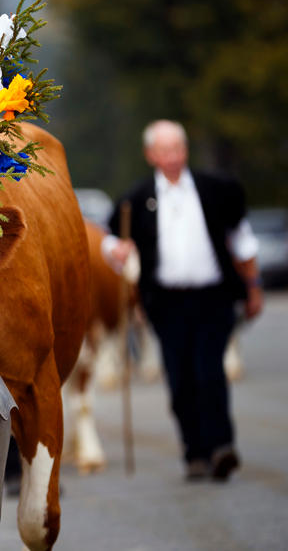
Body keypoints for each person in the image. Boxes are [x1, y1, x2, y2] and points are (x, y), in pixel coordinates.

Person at [105, 120, 263, 482]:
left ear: (186, 151)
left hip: (213, 297)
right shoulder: (136, 198)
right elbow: (109, 239)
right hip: (166, 303)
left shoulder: (216, 190)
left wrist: (252, 287)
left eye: (178, 149)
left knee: (210, 372)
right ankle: (195, 452)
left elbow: (242, 240)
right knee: (180, 379)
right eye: (165, 151)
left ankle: (221, 447)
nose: (173, 158)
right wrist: (118, 248)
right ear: (151, 155)